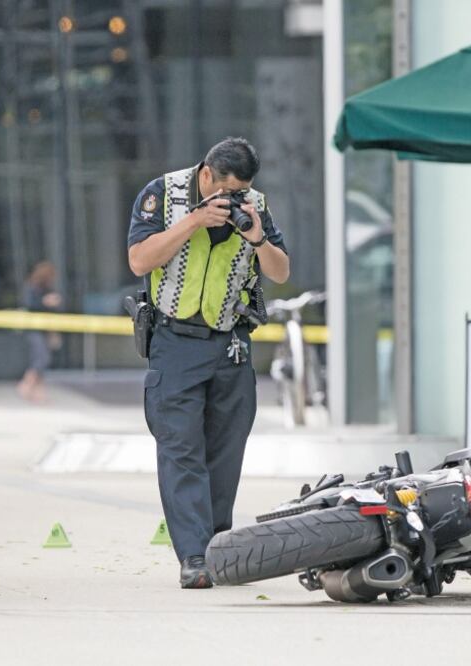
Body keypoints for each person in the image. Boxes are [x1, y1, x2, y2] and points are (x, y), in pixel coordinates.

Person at [127, 137, 290, 587]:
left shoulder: (256, 207)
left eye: (241, 192)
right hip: (175, 341)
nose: (233, 201)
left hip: (230, 343)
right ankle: (194, 557)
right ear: (206, 176)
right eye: (226, 193)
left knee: (226, 449)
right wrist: (196, 220)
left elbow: (279, 271)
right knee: (180, 449)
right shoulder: (162, 196)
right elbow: (140, 259)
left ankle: (217, 544)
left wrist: (257, 237)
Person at [17, 261, 62, 402]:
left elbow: (53, 312)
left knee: (43, 359)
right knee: (40, 359)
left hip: (44, 329)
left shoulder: (48, 289)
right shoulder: (32, 287)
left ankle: (38, 392)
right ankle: (25, 385)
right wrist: (44, 302)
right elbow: (29, 305)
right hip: (33, 329)